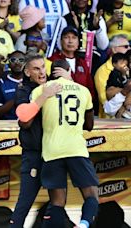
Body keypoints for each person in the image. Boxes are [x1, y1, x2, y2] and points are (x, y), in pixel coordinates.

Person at [29, 59, 98, 228]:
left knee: (57, 202)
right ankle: (83, 225)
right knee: (91, 196)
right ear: (69, 71)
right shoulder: (83, 91)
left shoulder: (40, 90)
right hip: (76, 149)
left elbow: (29, 118)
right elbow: (89, 125)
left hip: (51, 150)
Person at [10, 54, 62, 228]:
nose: (42, 72)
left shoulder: (53, 87)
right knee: (24, 203)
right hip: (34, 154)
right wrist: (43, 96)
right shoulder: (23, 90)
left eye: (43, 67)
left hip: (54, 153)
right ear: (27, 72)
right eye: (36, 68)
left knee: (57, 206)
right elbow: (25, 122)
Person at [57, 0, 109, 75]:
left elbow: (103, 46)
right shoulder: (65, 19)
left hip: (94, 59)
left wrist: (97, 28)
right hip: (72, 58)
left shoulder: (97, 18)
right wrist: (74, 29)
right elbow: (60, 45)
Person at [49, 26, 95, 99]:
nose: (70, 41)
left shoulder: (82, 63)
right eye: (66, 37)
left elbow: (90, 89)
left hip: (82, 105)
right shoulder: (52, 60)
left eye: (74, 38)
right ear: (61, 41)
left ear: (78, 43)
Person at [94, 34, 130, 118]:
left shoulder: (128, 67)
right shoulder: (103, 71)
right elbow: (103, 100)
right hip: (109, 120)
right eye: (125, 46)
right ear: (114, 49)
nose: (129, 49)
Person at [0, 51, 25, 120]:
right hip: (8, 125)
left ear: (26, 63)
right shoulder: (0, 83)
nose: (17, 63)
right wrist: (16, 98)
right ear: (8, 63)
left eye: (21, 60)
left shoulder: (31, 80)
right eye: (13, 60)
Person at [105, 53, 131, 119]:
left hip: (118, 91)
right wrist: (123, 75)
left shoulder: (123, 73)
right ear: (114, 64)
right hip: (112, 90)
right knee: (129, 94)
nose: (124, 66)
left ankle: (122, 113)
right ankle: (128, 108)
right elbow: (117, 83)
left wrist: (125, 75)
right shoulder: (114, 73)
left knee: (120, 106)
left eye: (125, 64)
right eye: (121, 64)